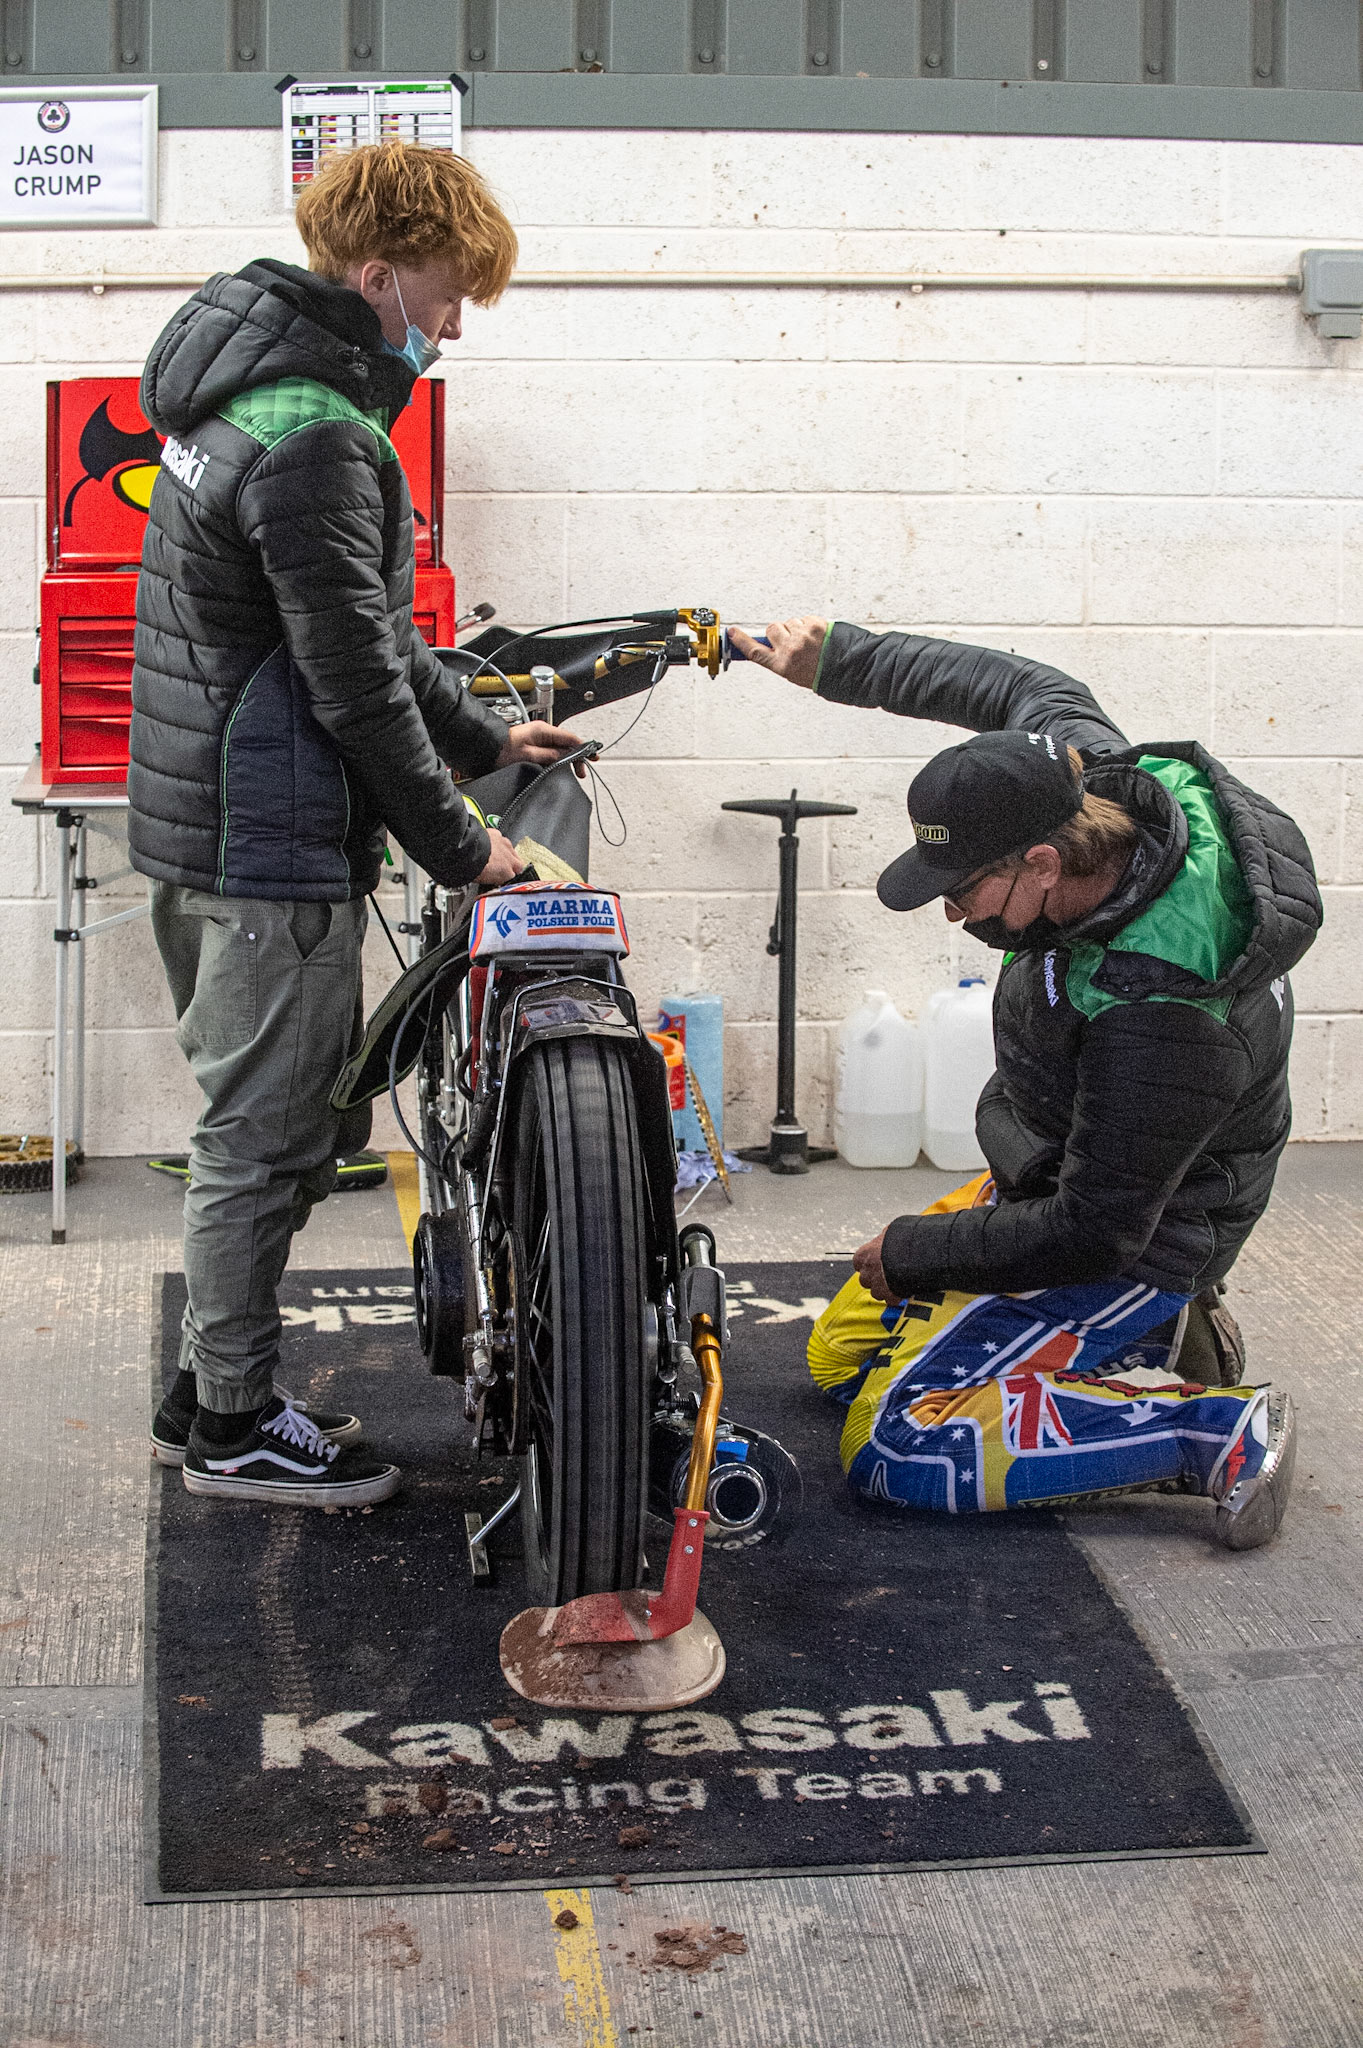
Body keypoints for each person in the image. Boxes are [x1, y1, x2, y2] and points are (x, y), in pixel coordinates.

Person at [131, 142, 583, 1507]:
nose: (452, 326)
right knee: (267, 1141)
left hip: (207, 823)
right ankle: (232, 1427)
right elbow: (351, 687)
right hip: (264, 842)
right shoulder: (320, 432)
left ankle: (209, 1375)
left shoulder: (244, 392)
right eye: (446, 295)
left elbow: (369, 637)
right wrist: (470, 843)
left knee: (258, 1127)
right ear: (378, 274)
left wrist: (485, 737)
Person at [729, 617, 1322, 1549]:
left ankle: (1208, 1428)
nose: (953, 909)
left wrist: (924, 1252)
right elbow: (1010, 682)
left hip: (1139, 1236)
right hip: (1058, 1164)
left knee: (900, 1446)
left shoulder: (1161, 1014)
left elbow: (1096, 1230)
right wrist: (835, 661)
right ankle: (1131, 1357)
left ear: (1043, 862)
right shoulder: (1088, 779)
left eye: (962, 888)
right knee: (839, 1356)